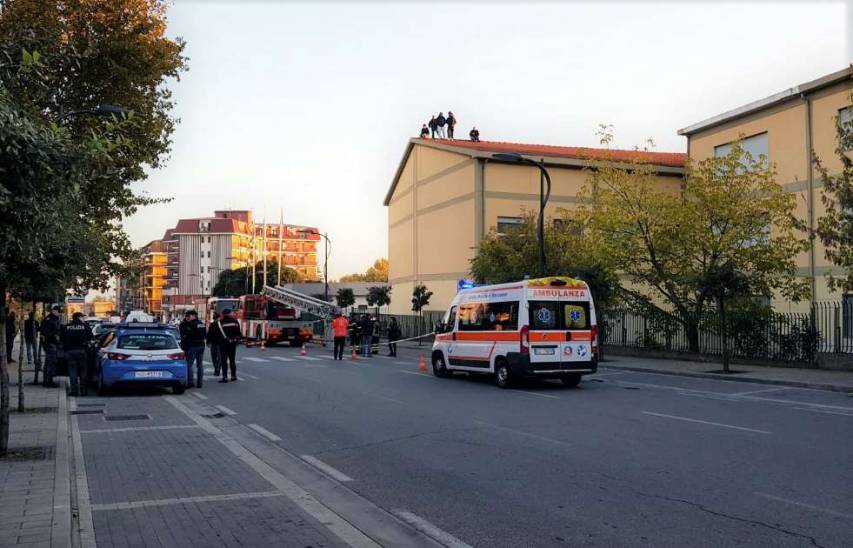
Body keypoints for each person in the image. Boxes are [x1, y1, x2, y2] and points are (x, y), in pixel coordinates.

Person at [63, 312, 92, 397]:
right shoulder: (85, 326)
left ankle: (74, 391)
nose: (83, 318)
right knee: (83, 372)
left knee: (72, 372)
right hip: (82, 351)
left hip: (70, 351)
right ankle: (83, 391)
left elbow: (62, 339)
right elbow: (90, 338)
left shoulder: (67, 327)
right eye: (82, 317)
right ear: (79, 317)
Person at [179, 310, 206, 388]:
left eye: (189, 316)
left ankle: (190, 382)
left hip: (193, 346)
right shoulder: (201, 324)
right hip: (201, 345)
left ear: (193, 316)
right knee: (200, 364)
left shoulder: (191, 324)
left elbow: (187, 336)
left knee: (189, 364)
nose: (188, 317)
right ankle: (199, 383)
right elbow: (204, 334)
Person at [216, 308, 241, 382]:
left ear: (223, 314)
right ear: (229, 314)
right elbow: (238, 333)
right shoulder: (235, 321)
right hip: (232, 343)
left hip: (223, 344)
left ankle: (225, 377)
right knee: (232, 360)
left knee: (224, 361)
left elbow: (218, 334)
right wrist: (236, 341)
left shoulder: (220, 322)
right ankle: (233, 376)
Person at [39, 306, 61, 388]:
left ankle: (48, 380)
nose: (59, 313)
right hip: (50, 344)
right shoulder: (49, 320)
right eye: (58, 311)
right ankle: (48, 381)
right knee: (50, 362)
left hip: (50, 343)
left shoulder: (52, 319)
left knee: (49, 362)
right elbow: (45, 333)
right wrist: (55, 337)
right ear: (54, 311)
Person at [24, 312, 39, 380]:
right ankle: (35, 359)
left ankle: (30, 360)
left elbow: (24, 329)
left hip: (28, 337)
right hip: (33, 337)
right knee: (34, 349)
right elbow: (38, 329)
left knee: (28, 348)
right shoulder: (36, 322)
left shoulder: (26, 322)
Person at [206, 312, 222, 376]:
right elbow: (209, 334)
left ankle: (217, 369)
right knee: (215, 357)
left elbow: (209, 334)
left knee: (218, 357)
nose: (216, 319)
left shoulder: (221, 324)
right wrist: (208, 342)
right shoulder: (212, 324)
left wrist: (208, 342)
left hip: (218, 343)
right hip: (215, 343)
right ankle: (217, 368)